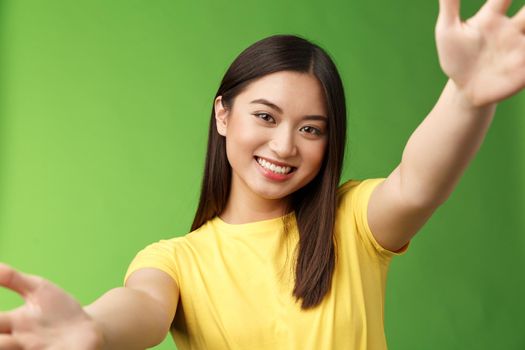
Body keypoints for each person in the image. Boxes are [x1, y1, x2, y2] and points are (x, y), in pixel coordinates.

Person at [1, 0, 524, 348]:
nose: (284, 145)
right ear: (223, 114)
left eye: (311, 129)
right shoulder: (175, 262)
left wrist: (466, 96)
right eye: (266, 116)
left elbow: (418, 182)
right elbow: (138, 309)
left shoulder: (352, 223)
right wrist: (90, 328)